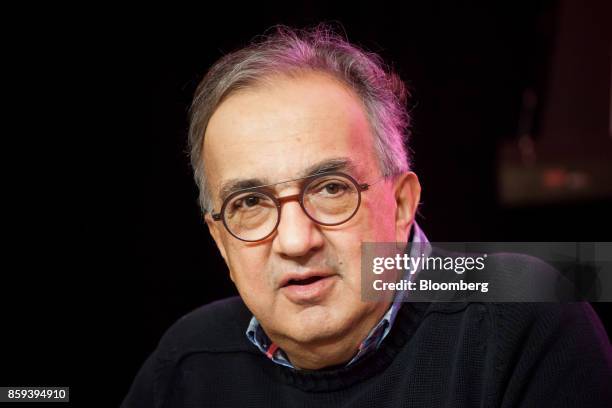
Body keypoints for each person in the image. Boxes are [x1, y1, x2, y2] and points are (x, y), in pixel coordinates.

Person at [123, 25, 612, 407]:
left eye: (331, 189)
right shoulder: (185, 361)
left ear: (401, 204)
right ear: (220, 240)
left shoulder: (525, 310)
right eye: (249, 203)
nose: (295, 241)